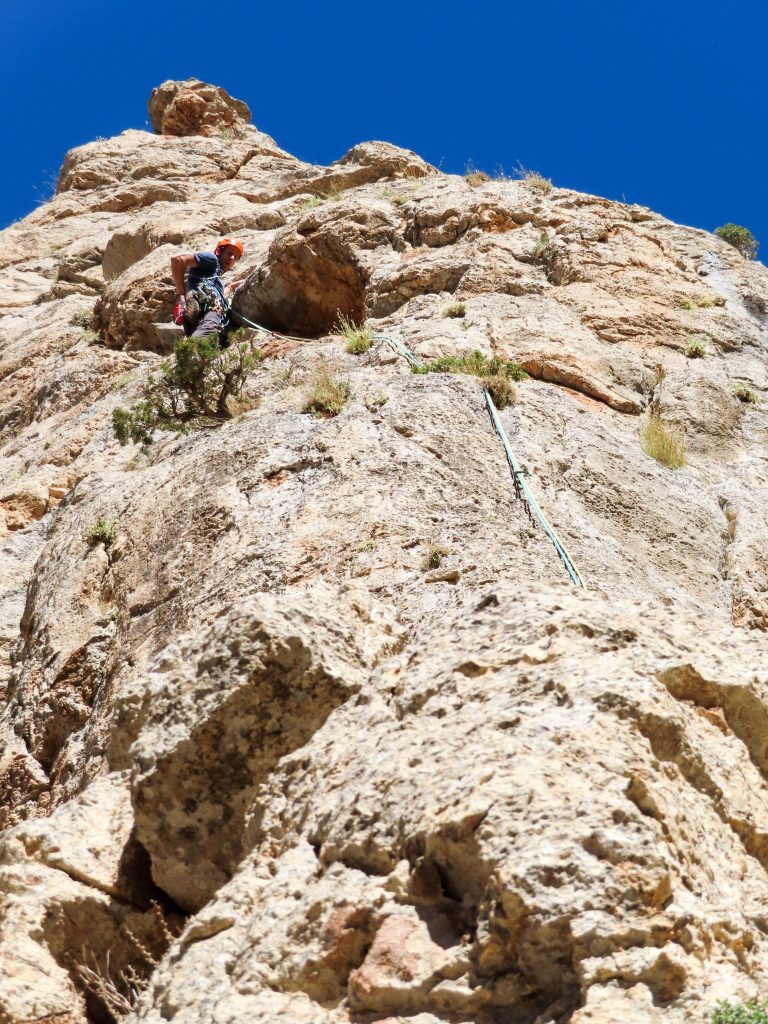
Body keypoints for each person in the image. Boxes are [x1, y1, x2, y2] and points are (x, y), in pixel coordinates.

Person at [170, 238, 245, 341]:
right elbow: (177, 260)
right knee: (205, 336)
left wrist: (236, 285)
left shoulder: (215, 279)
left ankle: (190, 350)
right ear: (220, 251)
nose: (232, 258)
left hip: (200, 314)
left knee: (203, 343)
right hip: (209, 309)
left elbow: (223, 294)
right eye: (229, 253)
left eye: (235, 257)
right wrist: (181, 295)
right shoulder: (212, 260)